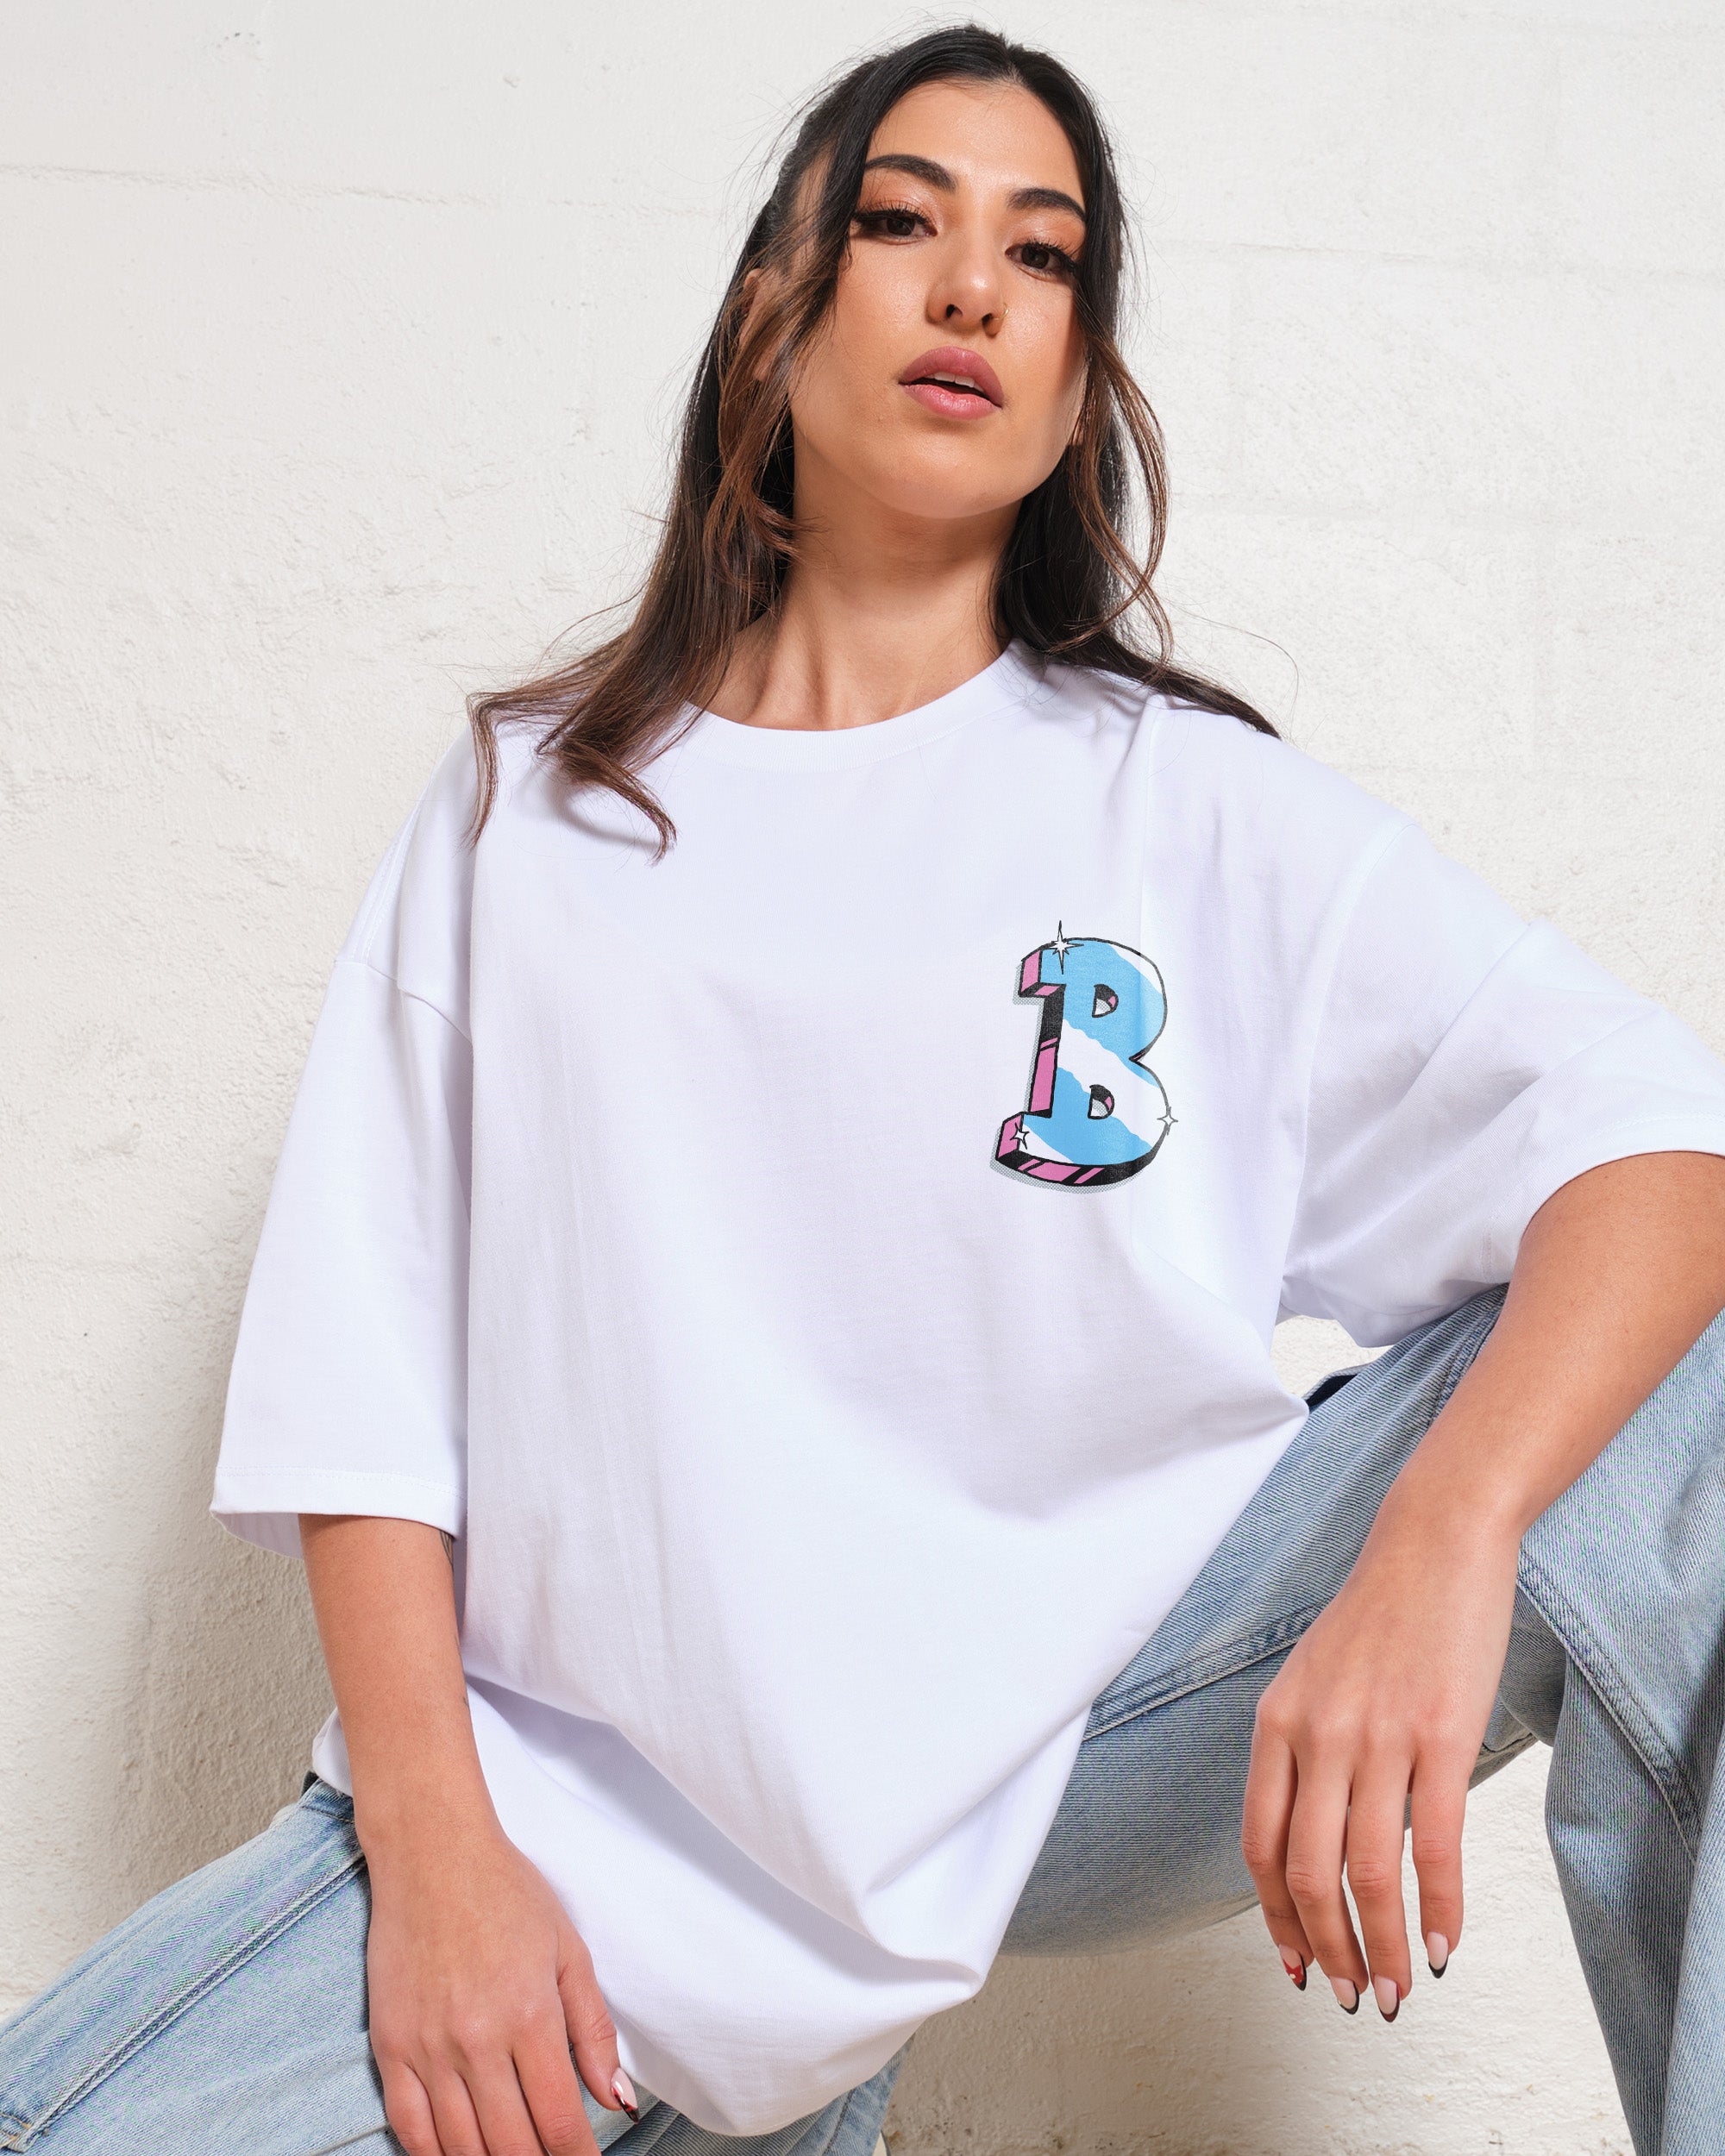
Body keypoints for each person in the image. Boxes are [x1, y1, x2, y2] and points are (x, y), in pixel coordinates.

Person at [5, 23, 1725, 2156]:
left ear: (1077, 386)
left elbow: (1663, 1145)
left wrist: (1441, 1539)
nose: (972, 286)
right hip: (580, 1815)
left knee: (1684, 1390)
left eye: (1043, 254)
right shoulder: (531, 814)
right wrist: (439, 1866)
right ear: (771, 320)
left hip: (1082, 1716)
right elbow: (366, 1387)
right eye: (903, 222)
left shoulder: (1195, 816)